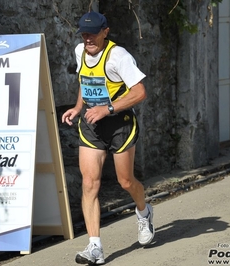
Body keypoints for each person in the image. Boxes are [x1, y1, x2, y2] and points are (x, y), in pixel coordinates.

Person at [61, 11, 155, 265]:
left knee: (125, 181)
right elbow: (85, 80)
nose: (88, 38)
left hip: (118, 125)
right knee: (90, 183)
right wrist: (79, 107)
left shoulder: (119, 56)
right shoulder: (80, 50)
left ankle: (143, 213)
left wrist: (108, 108)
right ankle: (95, 247)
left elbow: (140, 92)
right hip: (92, 126)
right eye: (84, 33)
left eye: (93, 33)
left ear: (105, 32)